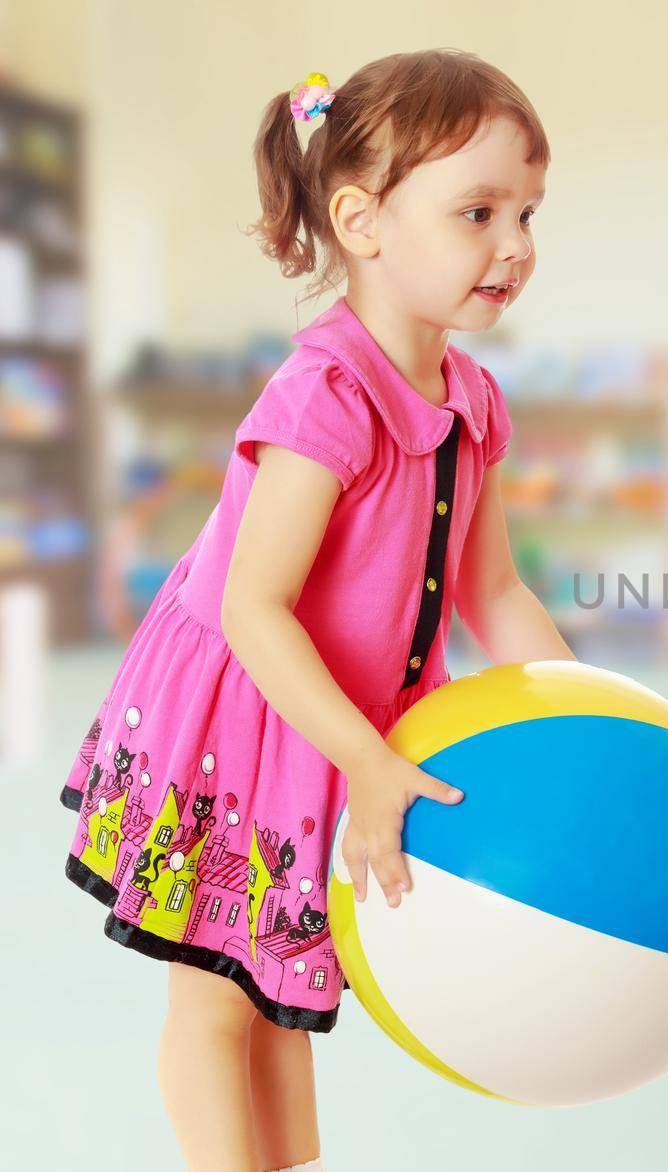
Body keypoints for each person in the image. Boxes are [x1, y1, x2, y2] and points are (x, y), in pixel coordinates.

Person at [58, 49, 575, 1172]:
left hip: (340, 724)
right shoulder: (325, 394)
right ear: (361, 220)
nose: (518, 245)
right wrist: (368, 757)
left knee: (273, 994)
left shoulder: (474, 402)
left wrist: (586, 718)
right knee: (213, 1001)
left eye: (530, 211)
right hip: (246, 716)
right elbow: (255, 605)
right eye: (479, 211)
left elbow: (494, 590)